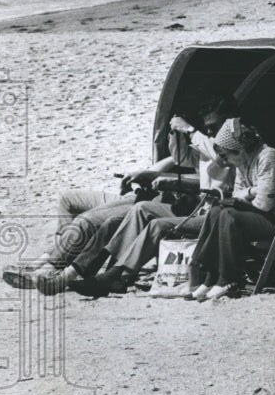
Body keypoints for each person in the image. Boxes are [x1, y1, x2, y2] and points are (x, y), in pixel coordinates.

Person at [54, 96, 238, 297]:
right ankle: (93, 271)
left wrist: (191, 131)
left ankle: (117, 275)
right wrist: (175, 134)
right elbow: (182, 158)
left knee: (154, 224)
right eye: (207, 128)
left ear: (228, 122)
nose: (210, 132)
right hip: (200, 208)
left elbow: (220, 157)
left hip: (215, 214)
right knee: (141, 209)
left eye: (214, 127)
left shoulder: (234, 146)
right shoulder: (207, 144)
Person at [1, 148, 180, 293]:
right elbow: (173, 160)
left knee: (87, 220)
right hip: (139, 194)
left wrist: (156, 176)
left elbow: (193, 181)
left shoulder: (202, 142)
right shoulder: (187, 143)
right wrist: (143, 174)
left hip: (157, 202)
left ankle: (48, 268)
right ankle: (60, 257)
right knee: (68, 200)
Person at [188, 118, 275, 301]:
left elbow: (263, 204)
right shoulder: (244, 161)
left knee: (228, 214)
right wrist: (252, 191)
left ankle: (227, 278)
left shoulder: (268, 156)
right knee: (217, 210)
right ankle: (211, 277)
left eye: (226, 156)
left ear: (240, 150)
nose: (225, 161)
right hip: (267, 217)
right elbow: (238, 194)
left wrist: (244, 196)